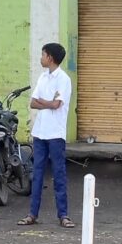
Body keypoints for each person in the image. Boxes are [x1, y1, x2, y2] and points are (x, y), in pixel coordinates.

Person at [25, 42, 74, 227]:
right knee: (37, 174)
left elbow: (57, 105)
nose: (41, 58)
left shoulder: (63, 79)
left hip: (55, 132)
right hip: (40, 131)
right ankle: (32, 214)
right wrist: (48, 102)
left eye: (43, 54)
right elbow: (33, 103)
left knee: (58, 174)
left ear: (50, 58)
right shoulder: (43, 77)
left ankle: (63, 215)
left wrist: (43, 102)